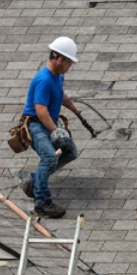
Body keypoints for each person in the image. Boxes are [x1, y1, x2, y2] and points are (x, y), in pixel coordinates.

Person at [17, 37, 82, 219]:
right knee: (49, 157)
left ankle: (34, 181)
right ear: (59, 58)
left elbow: (61, 96)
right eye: (69, 61)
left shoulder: (58, 77)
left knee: (70, 151)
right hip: (36, 125)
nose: (69, 66)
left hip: (48, 124)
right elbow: (40, 109)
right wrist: (56, 130)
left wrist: (78, 113)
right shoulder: (44, 80)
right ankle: (42, 202)